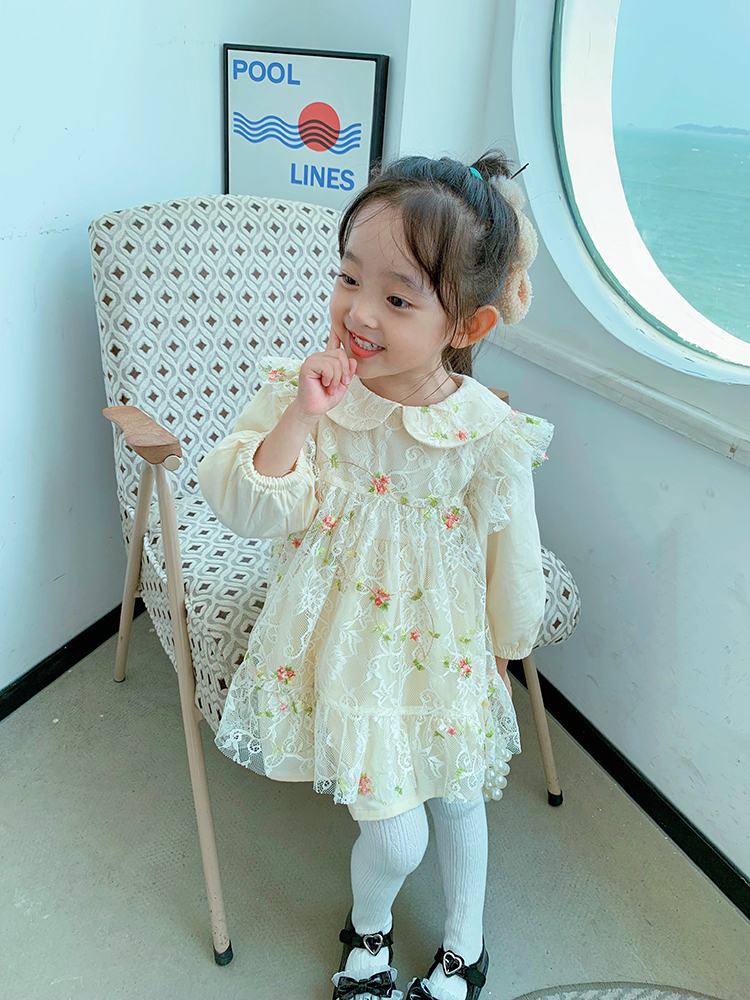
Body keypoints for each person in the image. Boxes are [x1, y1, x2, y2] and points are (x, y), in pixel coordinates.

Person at [196, 150, 554, 1000]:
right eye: (348, 277)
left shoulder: (486, 428)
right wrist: (300, 414)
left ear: (466, 325)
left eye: (398, 298)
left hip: (449, 648)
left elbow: (510, 549)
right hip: (349, 650)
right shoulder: (313, 393)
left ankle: (465, 945)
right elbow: (248, 506)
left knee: (459, 798)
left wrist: (506, 648)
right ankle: (369, 931)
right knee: (397, 836)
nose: (357, 311)